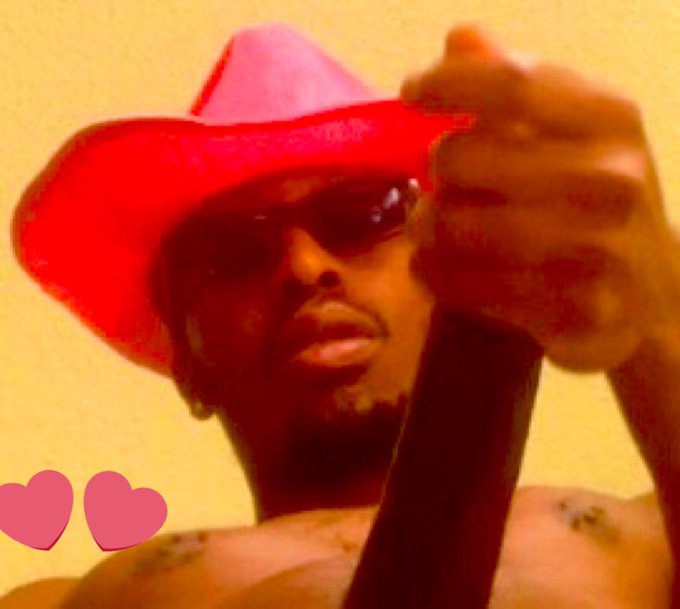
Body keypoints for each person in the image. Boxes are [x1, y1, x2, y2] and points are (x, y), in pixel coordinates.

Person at [3, 22, 679, 608]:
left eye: (362, 214)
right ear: (188, 368)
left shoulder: (652, 541)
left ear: (442, 268)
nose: (303, 267)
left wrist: (657, 315)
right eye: (229, 251)